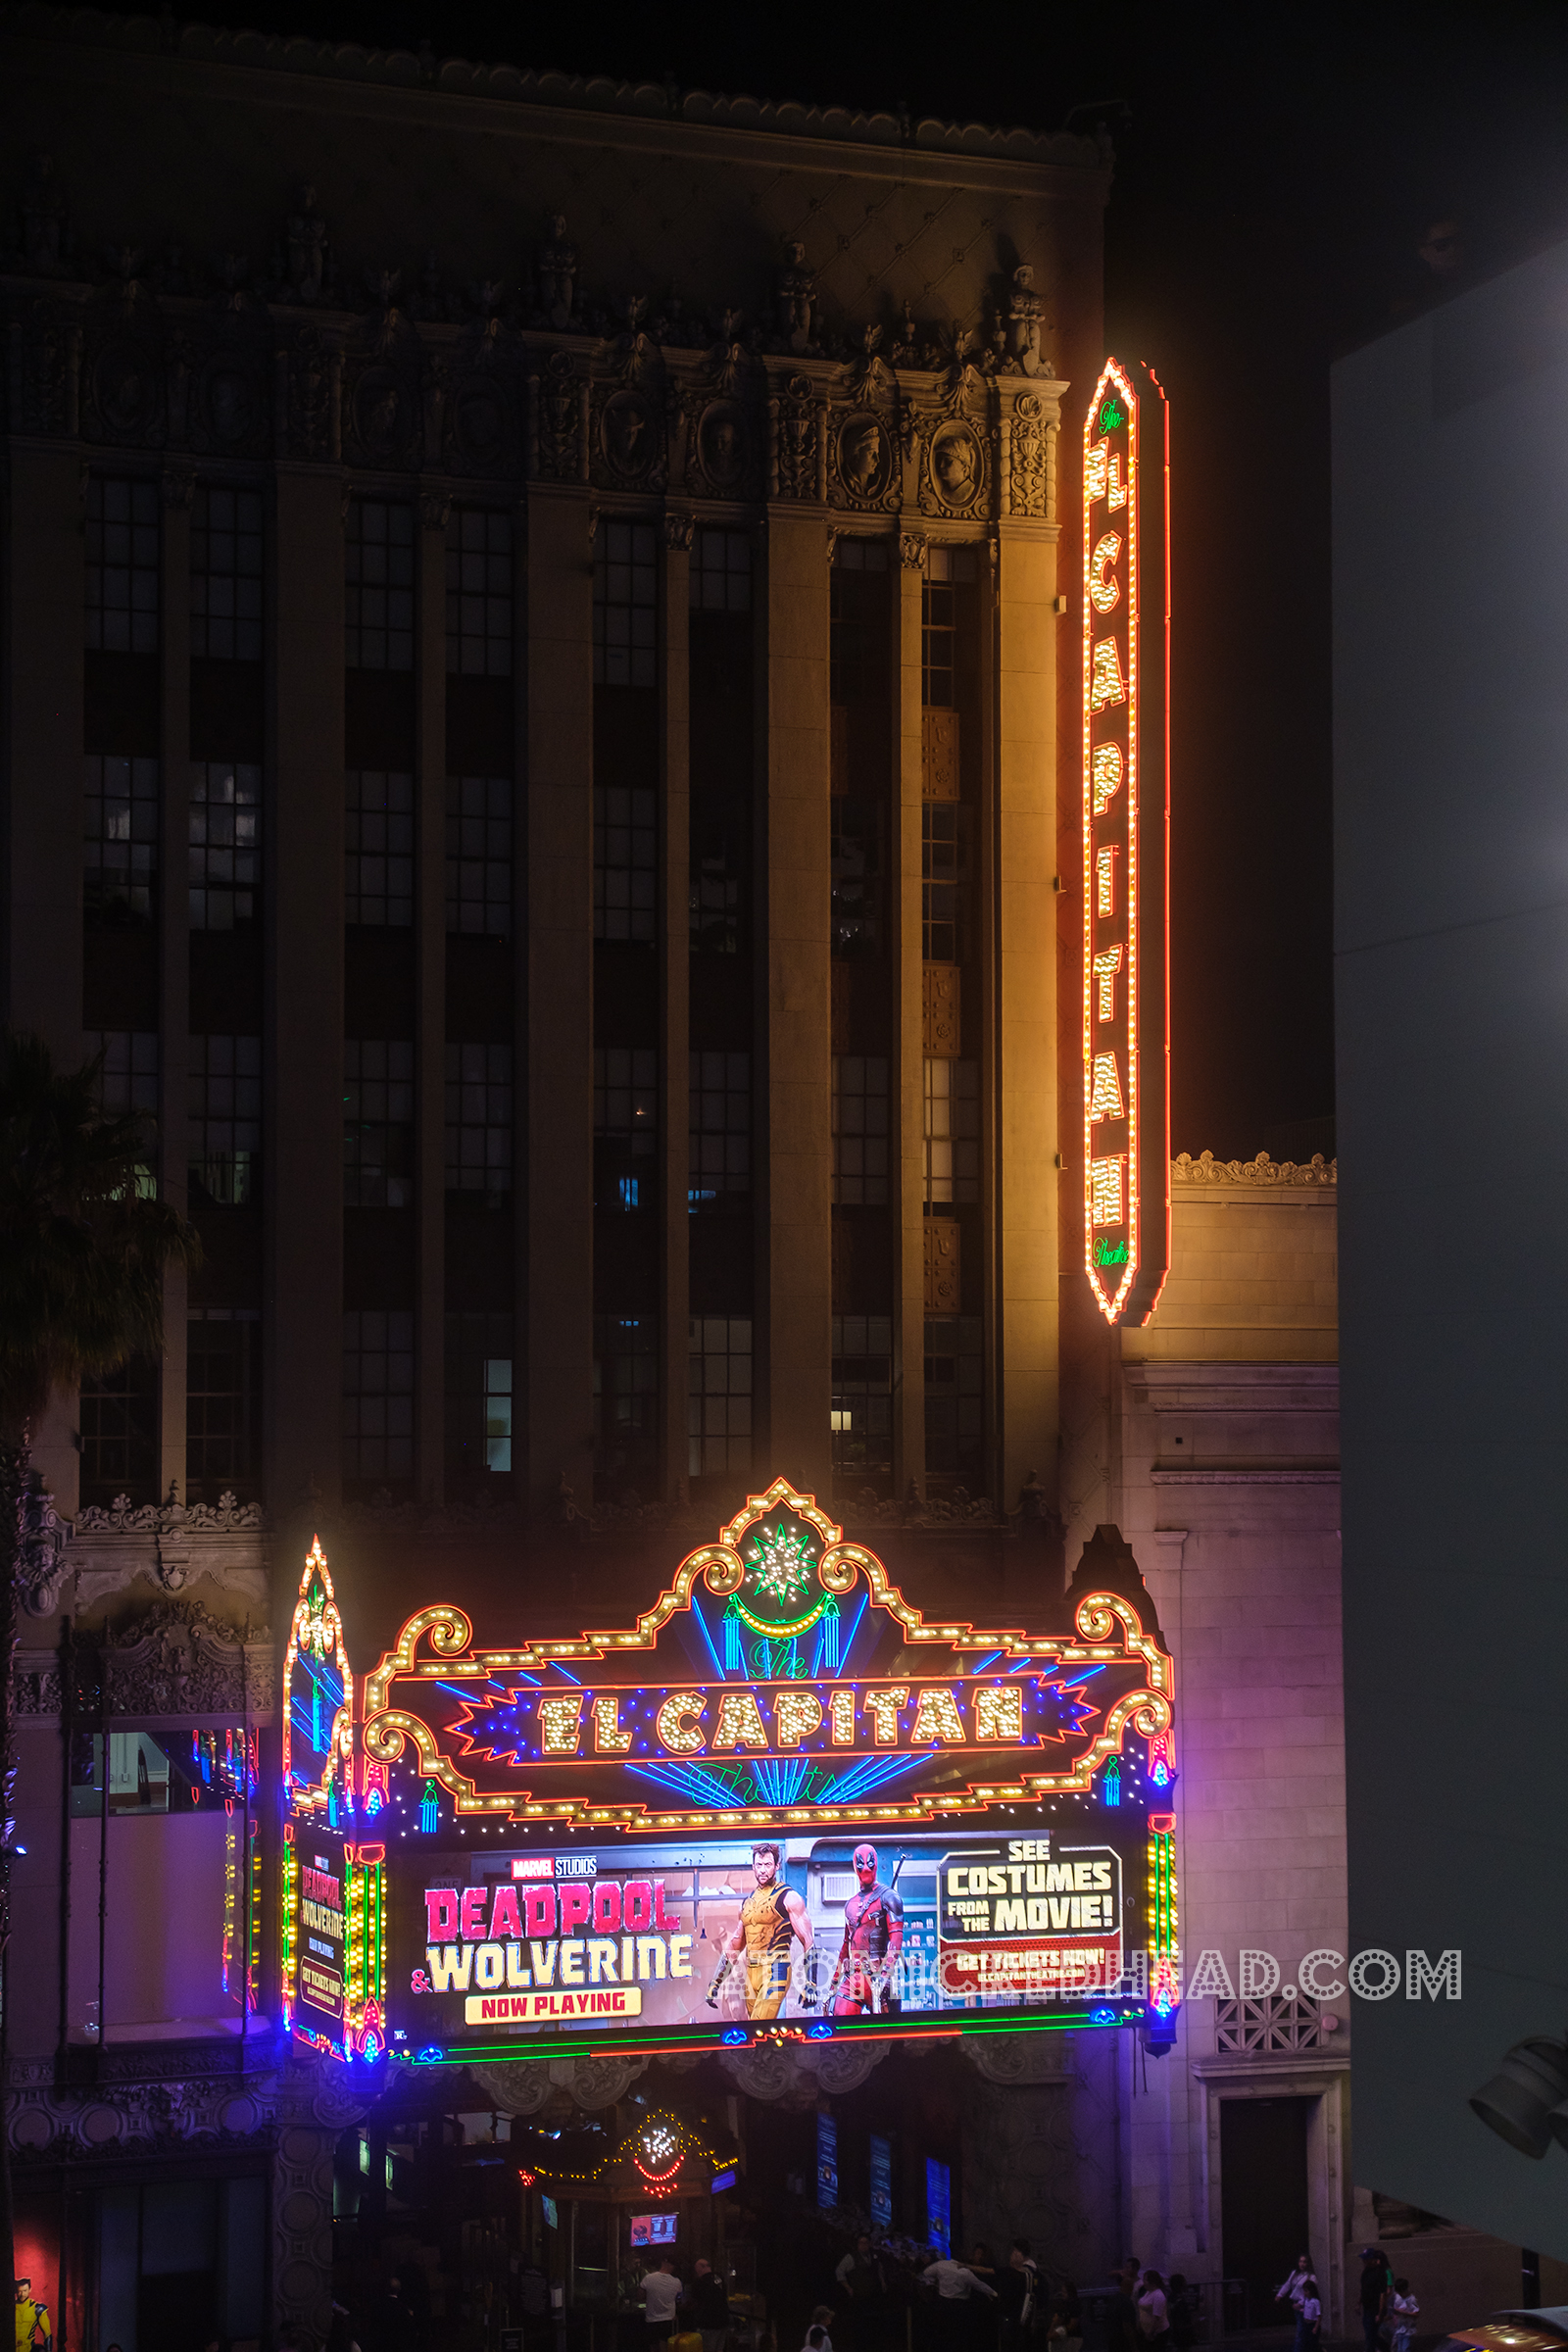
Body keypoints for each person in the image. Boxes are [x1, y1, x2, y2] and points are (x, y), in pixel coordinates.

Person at [708, 1841, 814, 2020]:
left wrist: (810, 1982)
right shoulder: (747, 1904)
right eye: (759, 1865)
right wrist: (716, 1981)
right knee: (756, 2033)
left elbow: (808, 1939)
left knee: (758, 2025)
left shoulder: (788, 1897)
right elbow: (735, 1944)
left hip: (776, 1969)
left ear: (777, 1866)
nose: (763, 1870)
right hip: (752, 1973)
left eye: (767, 1865)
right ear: (753, 1866)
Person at [831, 1844, 905, 2017]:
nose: (865, 1867)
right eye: (861, 1863)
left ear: (876, 1864)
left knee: (889, 2037)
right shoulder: (850, 1904)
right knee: (842, 2028)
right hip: (855, 1977)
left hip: (879, 1976)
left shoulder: (890, 1897)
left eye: (869, 1862)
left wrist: (885, 1974)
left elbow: (896, 1940)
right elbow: (846, 1945)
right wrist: (835, 1981)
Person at [923, 2255, 998, 2352]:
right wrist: (994, 2293)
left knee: (942, 2334)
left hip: (942, 2304)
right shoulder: (965, 2272)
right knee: (958, 2336)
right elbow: (980, 2285)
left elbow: (926, 2273)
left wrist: (935, 2282)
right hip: (959, 2307)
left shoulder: (941, 2265)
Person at [994, 2241, 1039, 2350]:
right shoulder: (1031, 2274)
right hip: (1020, 2315)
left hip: (1013, 2315)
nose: (1012, 2255)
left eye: (1015, 2252)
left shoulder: (1023, 2274)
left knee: (1010, 2343)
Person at [689, 2258, 729, 2352]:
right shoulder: (720, 2278)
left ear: (700, 2268)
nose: (696, 2271)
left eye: (696, 2269)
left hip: (708, 2322)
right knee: (719, 2348)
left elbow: (695, 2300)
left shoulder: (699, 2283)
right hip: (723, 2320)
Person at [645, 2255, 683, 2349]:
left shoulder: (649, 2278)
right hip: (668, 2319)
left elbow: (640, 2294)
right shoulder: (677, 2282)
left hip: (651, 2319)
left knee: (653, 2345)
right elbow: (679, 2298)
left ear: (663, 2263)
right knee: (665, 2345)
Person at [1358, 2250, 1388, 2352]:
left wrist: (1380, 2313)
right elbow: (1363, 2289)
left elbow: (1382, 2294)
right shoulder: (1366, 2271)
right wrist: (1359, 2304)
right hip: (1367, 2307)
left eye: (1366, 2259)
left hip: (1374, 2308)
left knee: (1371, 2334)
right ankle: (1385, 2347)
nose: (1364, 2261)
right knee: (1370, 2333)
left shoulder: (1380, 2273)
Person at [1138, 2273, 1169, 2352]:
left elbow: (1157, 2317)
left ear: (1153, 2282)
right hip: (1147, 2331)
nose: (1143, 2282)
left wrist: (1150, 2333)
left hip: (1157, 2333)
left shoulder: (1158, 2295)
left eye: (1145, 2280)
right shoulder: (1149, 2292)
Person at [1165, 2278, 1196, 2352]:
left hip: (1176, 2327)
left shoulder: (1171, 2297)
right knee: (1184, 2348)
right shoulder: (1179, 2298)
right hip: (1182, 2328)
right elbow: (1181, 2312)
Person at [1389, 2280, 1419, 2352]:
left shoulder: (1411, 2300)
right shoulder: (1397, 2298)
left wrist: (1403, 2313)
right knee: (1399, 2349)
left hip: (1408, 2329)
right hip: (1400, 2328)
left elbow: (1417, 2314)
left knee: (1405, 2348)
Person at [1296, 2278, 1322, 2352]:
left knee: (1313, 2344)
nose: (1305, 2293)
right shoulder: (1306, 2300)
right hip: (1306, 2325)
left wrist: (1315, 2328)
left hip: (1312, 2325)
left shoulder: (1316, 2301)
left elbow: (1319, 2316)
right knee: (1305, 2344)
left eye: (1306, 2291)